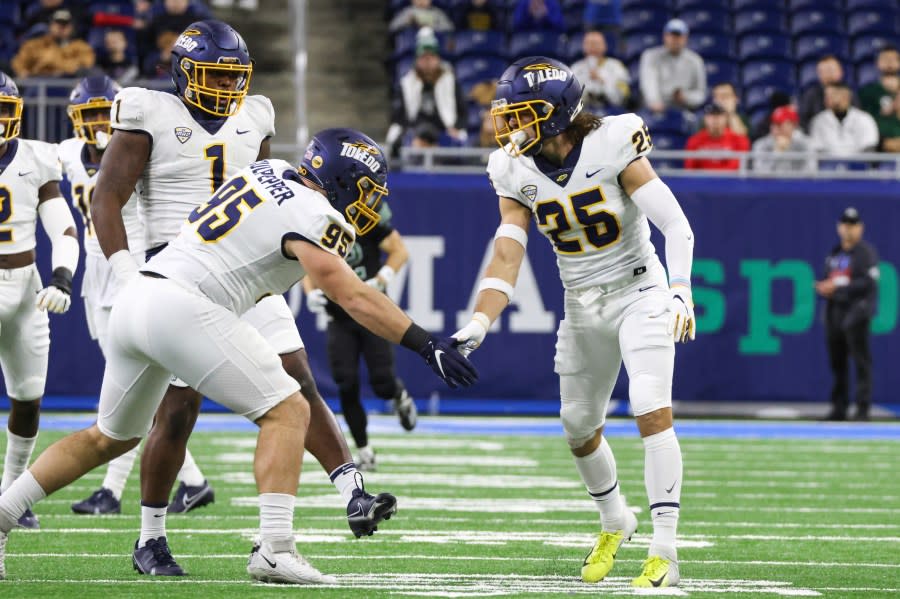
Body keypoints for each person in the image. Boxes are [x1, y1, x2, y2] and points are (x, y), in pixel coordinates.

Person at [0, 132, 477, 584]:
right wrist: (425, 344)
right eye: (366, 191)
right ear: (338, 180)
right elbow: (351, 295)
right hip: (183, 306)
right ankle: (275, 548)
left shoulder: (268, 170)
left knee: (107, 438)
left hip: (141, 293)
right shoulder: (316, 214)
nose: (369, 204)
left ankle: (2, 515)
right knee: (290, 409)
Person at [90, 20, 400, 575]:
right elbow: (107, 196)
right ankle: (150, 538)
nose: (225, 89)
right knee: (178, 410)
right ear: (181, 73)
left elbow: (268, 188)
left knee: (298, 377)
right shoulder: (147, 112)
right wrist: (122, 271)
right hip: (177, 270)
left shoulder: (255, 114)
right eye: (212, 75)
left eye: (233, 76)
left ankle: (351, 489)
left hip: (246, 264)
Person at [454, 57, 694, 588]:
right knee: (578, 426)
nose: (510, 127)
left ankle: (666, 549)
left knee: (650, 407)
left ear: (556, 113)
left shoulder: (614, 141)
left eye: (521, 115)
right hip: (581, 301)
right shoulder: (512, 168)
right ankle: (615, 521)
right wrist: (480, 319)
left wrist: (681, 289)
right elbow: (507, 252)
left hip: (641, 289)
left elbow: (675, 224)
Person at [0, 71, 80, 529]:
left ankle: (13, 494)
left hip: (27, 283)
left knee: (29, 396)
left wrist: (63, 279)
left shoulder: (35, 157)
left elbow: (63, 227)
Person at [305, 202, 417, 472]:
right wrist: (310, 292)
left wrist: (382, 278)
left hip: (370, 311)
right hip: (340, 316)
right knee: (346, 383)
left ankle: (398, 395)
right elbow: (305, 263)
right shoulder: (318, 219)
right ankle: (364, 450)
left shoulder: (364, 214)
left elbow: (399, 251)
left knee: (382, 383)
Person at [815, 207, 879, 422]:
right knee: (838, 363)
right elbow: (829, 277)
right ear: (839, 227)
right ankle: (839, 408)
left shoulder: (865, 253)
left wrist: (839, 287)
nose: (848, 230)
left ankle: (862, 409)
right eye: (845, 225)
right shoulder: (835, 253)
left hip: (855, 312)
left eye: (853, 226)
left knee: (861, 362)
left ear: (860, 228)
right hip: (835, 311)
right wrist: (825, 287)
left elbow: (868, 282)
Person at [386, 28, 468, 156]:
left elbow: (463, 112)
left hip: (444, 132)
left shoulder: (450, 81)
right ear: (417, 60)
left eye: (431, 57)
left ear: (437, 59)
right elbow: (398, 117)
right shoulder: (407, 83)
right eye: (424, 58)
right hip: (414, 134)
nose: (428, 61)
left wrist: (456, 128)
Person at [639, 19, 706, 113]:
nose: (675, 40)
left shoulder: (695, 60)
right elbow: (649, 83)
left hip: (684, 109)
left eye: (678, 36)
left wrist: (685, 97)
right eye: (671, 35)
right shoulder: (650, 56)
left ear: (685, 38)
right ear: (665, 36)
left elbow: (700, 94)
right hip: (655, 109)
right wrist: (655, 102)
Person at [10, 9, 95, 78]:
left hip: (67, 84)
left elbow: (87, 65)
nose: (61, 27)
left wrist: (51, 63)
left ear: (72, 28)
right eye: (57, 23)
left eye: (65, 24)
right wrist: (22, 72)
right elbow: (18, 63)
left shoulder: (81, 47)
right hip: (38, 83)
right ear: (50, 26)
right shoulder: (35, 44)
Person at [809, 83, 879, 156]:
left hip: (858, 165)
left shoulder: (864, 119)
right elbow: (818, 149)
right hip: (828, 165)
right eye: (826, 96)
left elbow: (869, 146)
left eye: (832, 95)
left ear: (846, 96)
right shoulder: (818, 120)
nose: (827, 99)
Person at [570, 31, 630, 114]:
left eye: (596, 43)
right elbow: (571, 99)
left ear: (605, 46)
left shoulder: (617, 67)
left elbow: (622, 98)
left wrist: (602, 81)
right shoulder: (575, 68)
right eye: (589, 43)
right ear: (583, 46)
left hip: (611, 112)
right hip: (584, 113)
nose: (592, 46)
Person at [684, 103, 750, 170]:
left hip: (729, 179)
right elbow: (690, 168)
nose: (715, 119)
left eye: (719, 115)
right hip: (702, 179)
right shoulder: (694, 140)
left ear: (726, 118)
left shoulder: (739, 140)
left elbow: (737, 167)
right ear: (705, 119)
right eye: (711, 115)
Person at [751, 105, 815, 173]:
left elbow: (810, 171)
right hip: (770, 183)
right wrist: (776, 154)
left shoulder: (805, 144)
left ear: (793, 125)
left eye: (779, 124)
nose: (775, 128)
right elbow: (758, 174)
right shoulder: (761, 144)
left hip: (796, 183)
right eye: (773, 124)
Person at [799, 55, 847, 132]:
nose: (828, 75)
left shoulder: (849, 93)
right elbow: (803, 121)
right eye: (824, 71)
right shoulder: (810, 94)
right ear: (819, 74)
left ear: (840, 72)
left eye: (831, 70)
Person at [858, 46, 899, 120]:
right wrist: (889, 110)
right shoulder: (867, 91)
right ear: (877, 63)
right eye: (885, 59)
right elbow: (864, 120)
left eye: (893, 59)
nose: (889, 62)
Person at [389, 0, 454, 33]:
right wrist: (407, 22)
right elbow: (393, 27)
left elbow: (449, 28)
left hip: (434, 40)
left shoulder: (437, 12)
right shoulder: (407, 12)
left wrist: (432, 27)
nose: (421, 1)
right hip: (412, 39)